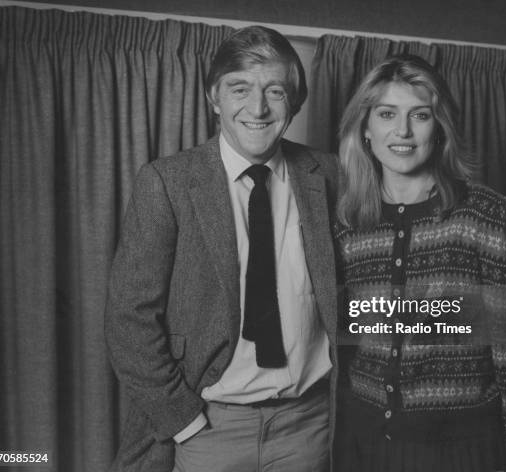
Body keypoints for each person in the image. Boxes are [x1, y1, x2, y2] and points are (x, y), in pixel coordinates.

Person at [105, 26, 338, 472]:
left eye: (275, 91)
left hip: (308, 427)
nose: (258, 107)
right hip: (210, 428)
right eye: (240, 88)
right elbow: (127, 319)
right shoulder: (168, 182)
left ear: (296, 101)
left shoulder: (329, 176)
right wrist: (184, 421)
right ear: (215, 97)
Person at [333, 55, 506, 472]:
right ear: (366, 130)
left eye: (420, 115)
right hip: (364, 442)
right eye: (387, 114)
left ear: (440, 129)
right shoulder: (347, 224)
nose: (403, 131)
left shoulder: (487, 216)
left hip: (460, 447)